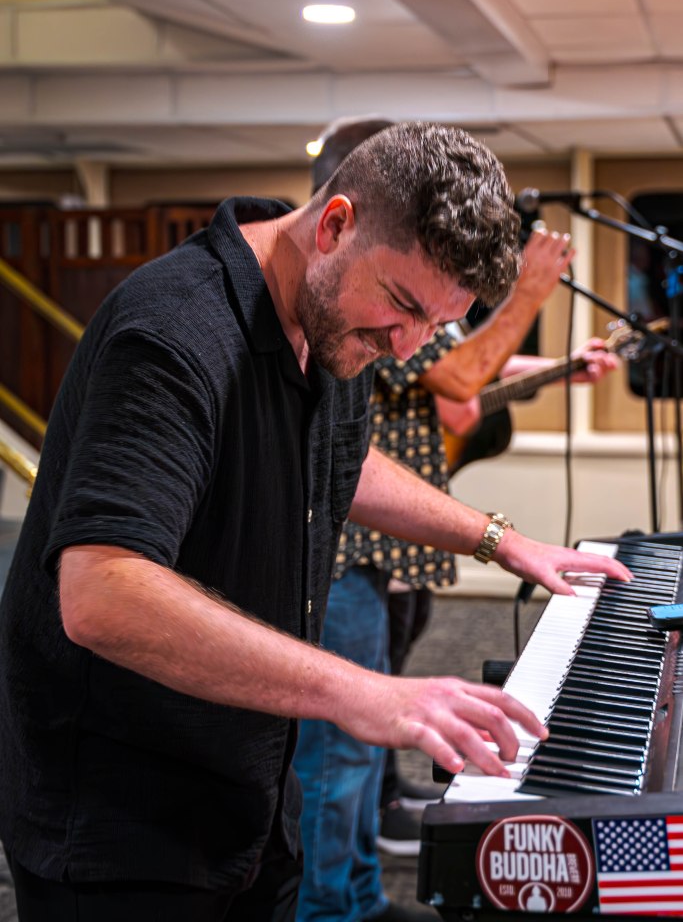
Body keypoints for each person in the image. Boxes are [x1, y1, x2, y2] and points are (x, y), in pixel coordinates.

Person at [0, 122, 630, 922]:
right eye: (402, 306)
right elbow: (102, 592)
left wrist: (497, 540)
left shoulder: (331, 316)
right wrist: (358, 691)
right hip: (120, 815)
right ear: (334, 225)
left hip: (248, 777)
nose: (404, 346)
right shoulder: (170, 333)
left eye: (432, 325)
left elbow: (344, 459)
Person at [293, 118, 620, 922]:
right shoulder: (342, 305)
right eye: (408, 311)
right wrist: (529, 294)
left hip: (386, 538)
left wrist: (558, 368)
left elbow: (457, 375)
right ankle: (332, 907)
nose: (407, 340)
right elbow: (456, 378)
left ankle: (357, 894)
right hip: (345, 548)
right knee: (338, 750)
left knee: (363, 743)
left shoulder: (390, 299)